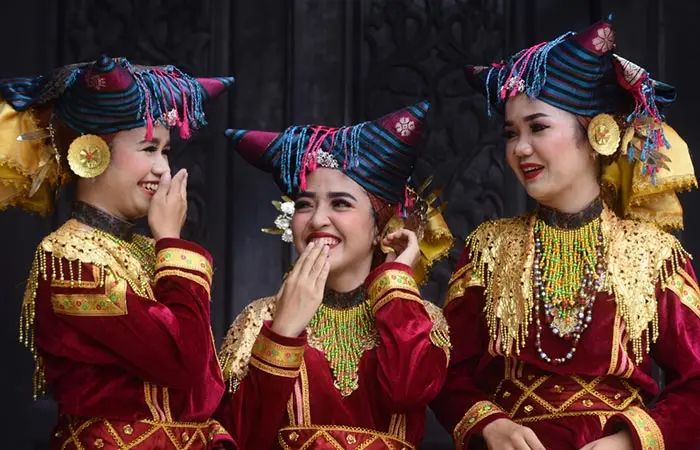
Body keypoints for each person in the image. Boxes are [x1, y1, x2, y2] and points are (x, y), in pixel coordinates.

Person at [430, 18, 700, 450]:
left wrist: (630, 442)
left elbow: (696, 386)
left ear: (598, 133)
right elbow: (448, 372)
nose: (520, 148)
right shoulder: (489, 248)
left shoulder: (655, 254)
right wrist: (491, 425)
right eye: (510, 133)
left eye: (538, 127)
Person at [0, 55, 237, 449]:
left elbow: (205, 388)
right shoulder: (69, 258)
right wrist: (174, 246)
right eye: (149, 147)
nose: (163, 168)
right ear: (92, 151)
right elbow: (180, 362)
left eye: (166, 152)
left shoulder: (151, 250)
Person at [215, 101, 455, 449]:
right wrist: (282, 333)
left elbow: (408, 391)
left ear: (381, 228)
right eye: (304, 204)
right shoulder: (260, 319)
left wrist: (395, 278)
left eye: (340, 203)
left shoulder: (422, 319)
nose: (316, 220)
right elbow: (239, 438)